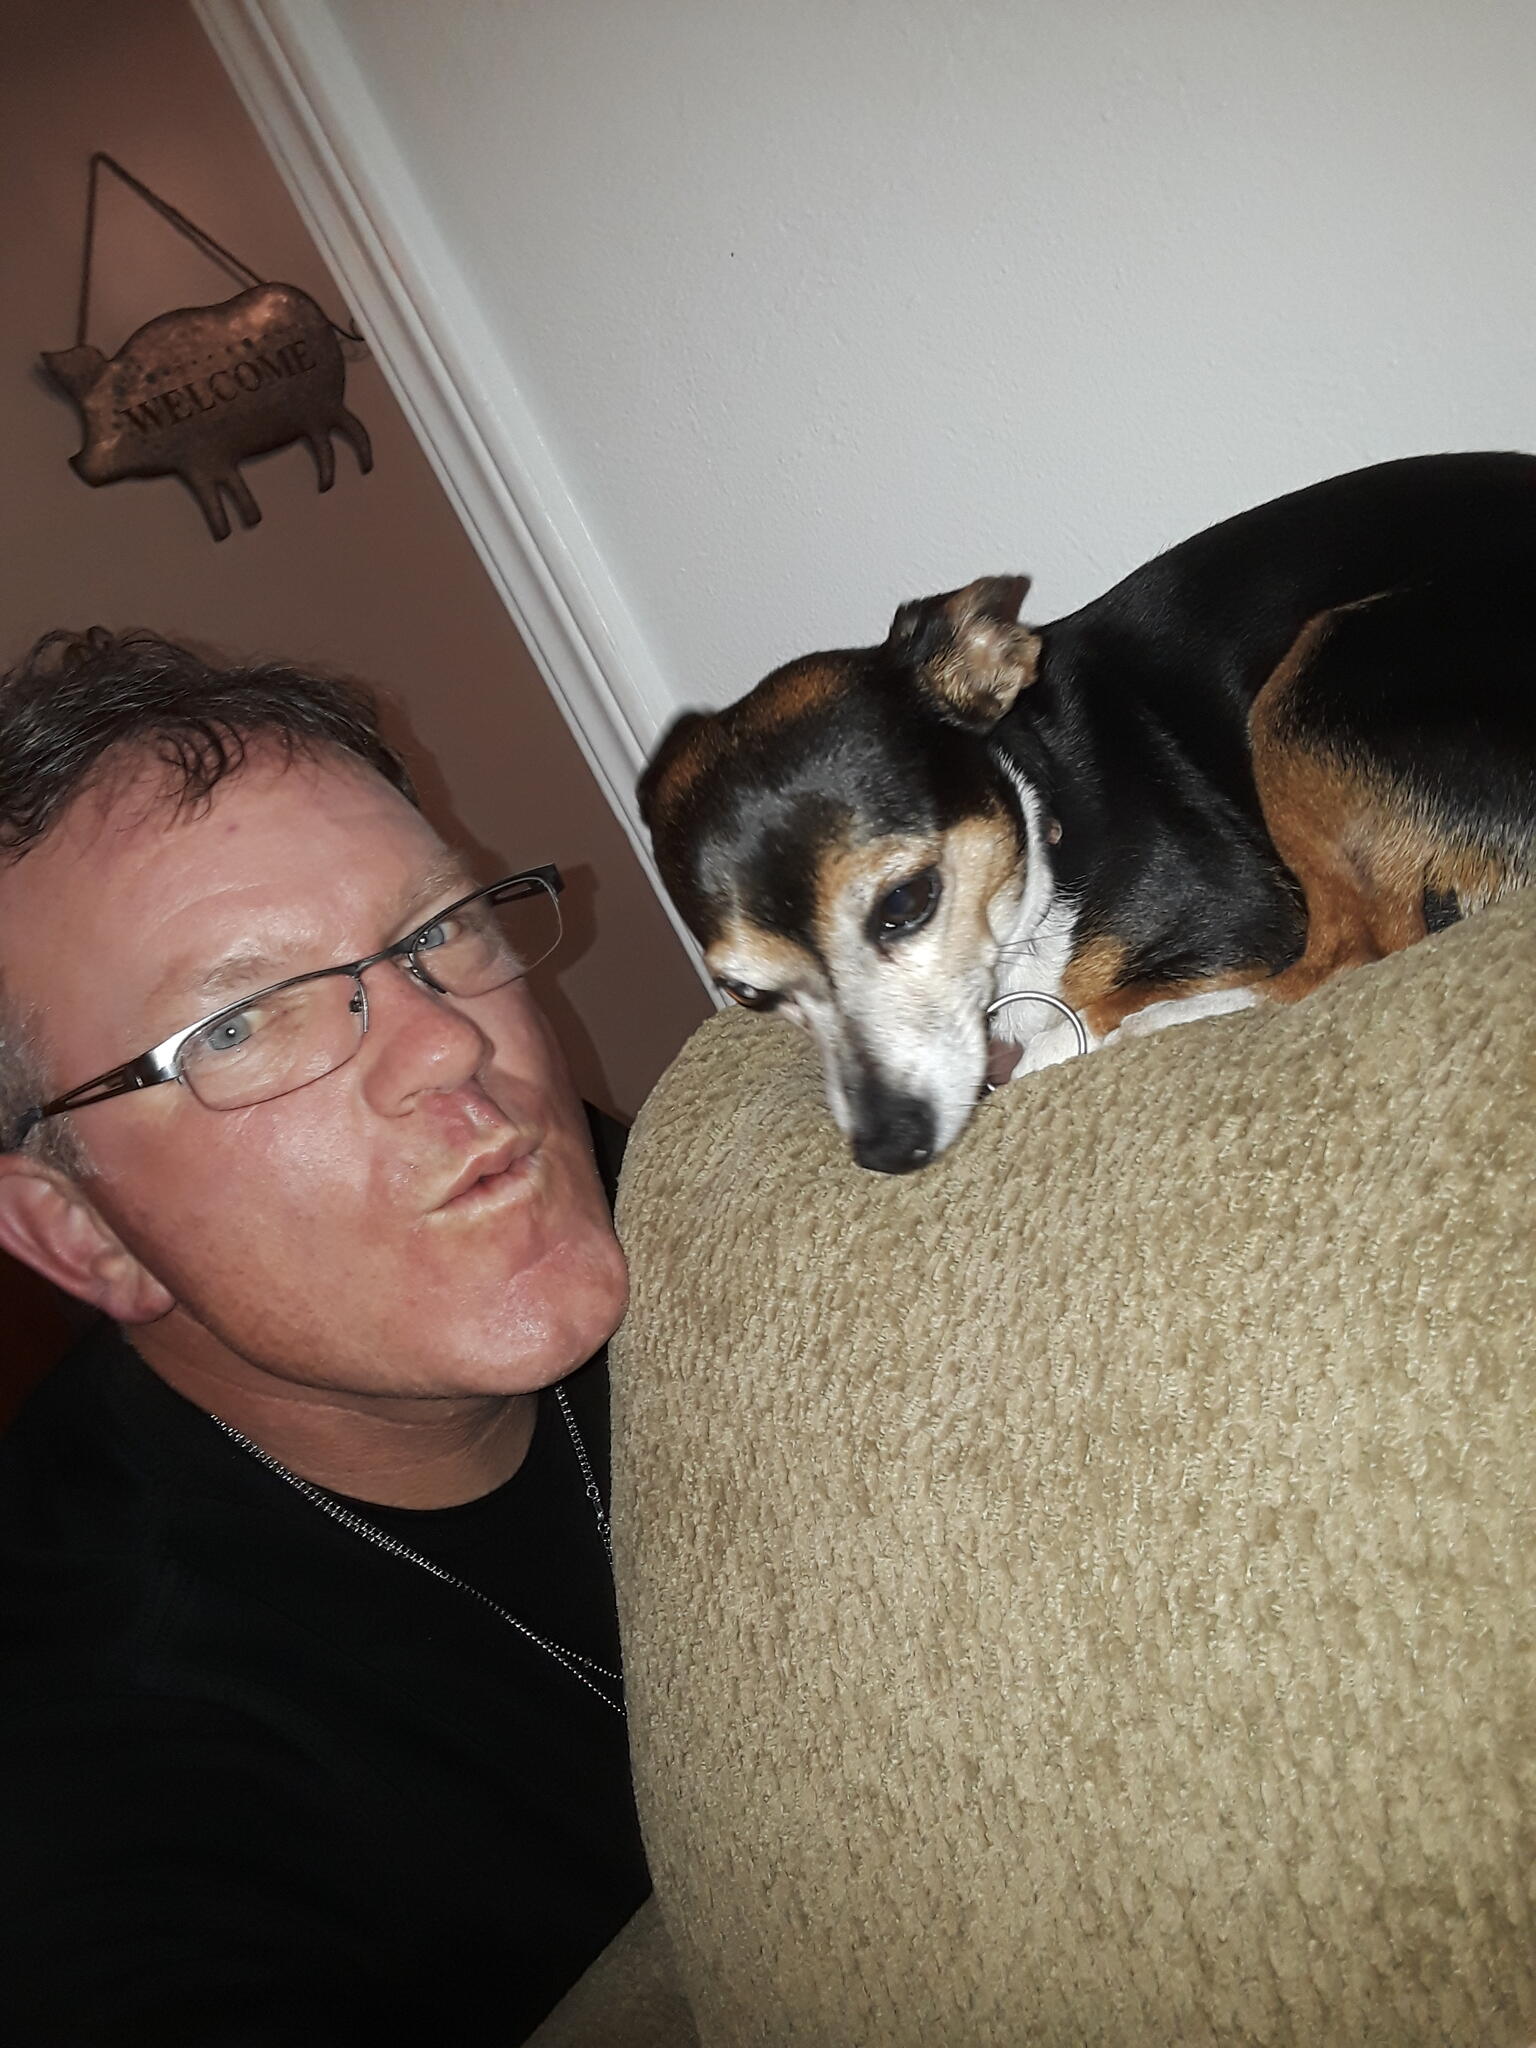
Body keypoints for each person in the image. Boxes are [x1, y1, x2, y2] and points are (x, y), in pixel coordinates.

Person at [0, 629, 651, 2045]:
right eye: (243, 1025)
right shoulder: (101, 1780)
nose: (446, 1046)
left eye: (438, 932)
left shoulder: (649, 1196)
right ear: (80, 1230)